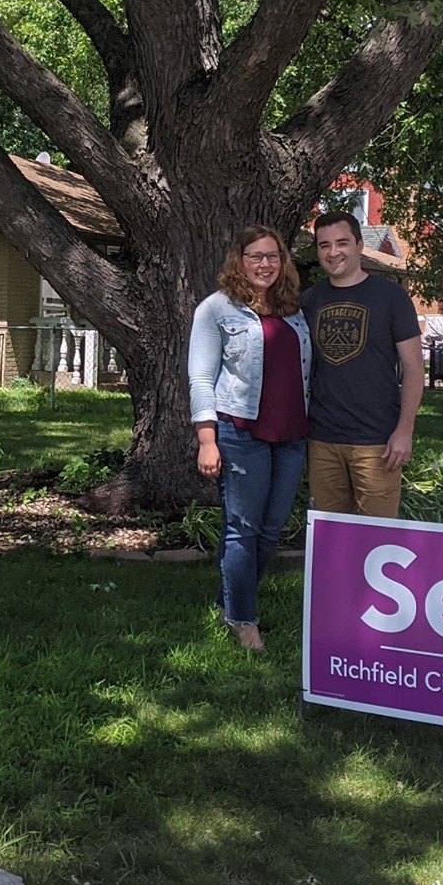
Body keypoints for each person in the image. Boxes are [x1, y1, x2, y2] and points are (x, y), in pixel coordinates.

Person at [188, 225, 311, 652]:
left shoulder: (294, 309)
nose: (265, 264)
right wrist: (207, 439)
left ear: (283, 260)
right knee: (243, 528)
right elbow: (201, 378)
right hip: (241, 432)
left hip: (292, 435)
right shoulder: (217, 309)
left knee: (272, 529)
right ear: (239, 260)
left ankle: (228, 602)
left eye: (273, 256)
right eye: (255, 256)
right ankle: (243, 620)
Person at [301, 210, 425, 518]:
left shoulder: (392, 297)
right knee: (330, 539)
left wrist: (404, 431)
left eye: (342, 243)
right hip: (322, 440)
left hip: (377, 442)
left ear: (359, 245)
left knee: (376, 539)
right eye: (324, 245)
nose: (333, 252)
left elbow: (413, 368)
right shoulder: (308, 301)